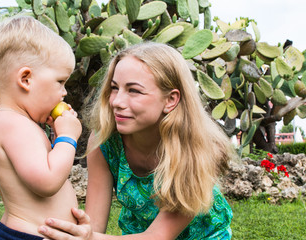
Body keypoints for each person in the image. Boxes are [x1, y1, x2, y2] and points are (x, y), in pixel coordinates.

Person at [38, 42, 236, 239]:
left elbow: (158, 236)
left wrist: (89, 238)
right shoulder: (105, 142)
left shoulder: (199, 150)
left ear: (171, 100)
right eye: (114, 88)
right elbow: (94, 225)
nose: (116, 102)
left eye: (134, 90)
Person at [0, 16, 82, 239]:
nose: (64, 92)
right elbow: (47, 182)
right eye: (60, 81)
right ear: (26, 79)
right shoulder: (12, 124)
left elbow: (41, 166)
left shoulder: (15, 123)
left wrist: (57, 140)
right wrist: (68, 137)